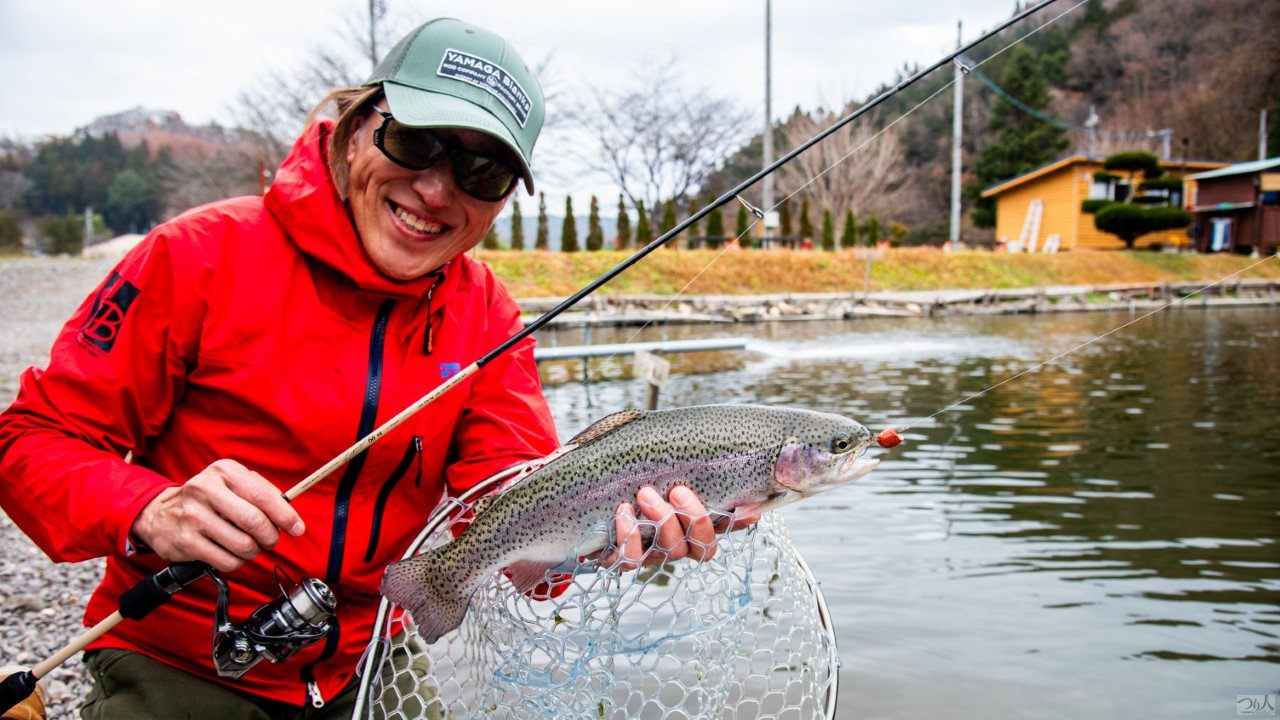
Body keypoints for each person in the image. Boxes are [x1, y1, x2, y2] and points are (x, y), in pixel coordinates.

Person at [0, 18, 746, 720]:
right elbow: (29, 441)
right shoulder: (196, 256)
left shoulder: (488, 314)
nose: (435, 190)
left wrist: (605, 541)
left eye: (481, 172)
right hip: (180, 653)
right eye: (417, 143)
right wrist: (149, 508)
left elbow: (506, 500)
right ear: (359, 130)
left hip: (371, 649)